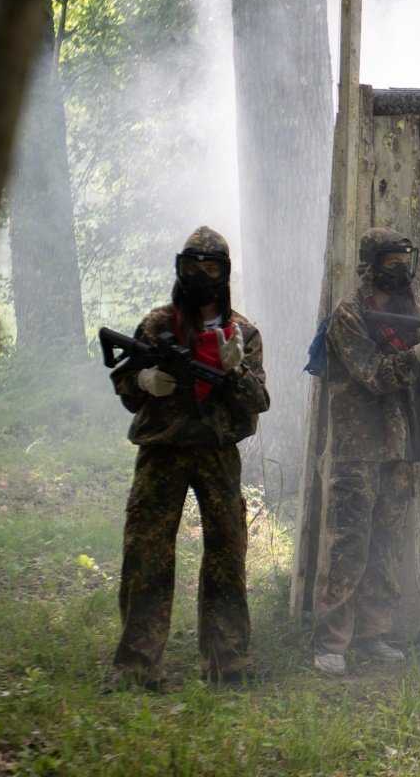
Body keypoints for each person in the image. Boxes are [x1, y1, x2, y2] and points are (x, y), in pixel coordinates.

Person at [107, 226, 270, 689]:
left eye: (211, 267)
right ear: (179, 268)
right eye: (192, 267)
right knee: (147, 554)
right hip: (163, 450)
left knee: (226, 554)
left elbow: (259, 400)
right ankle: (136, 665)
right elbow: (124, 380)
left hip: (217, 453)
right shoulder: (158, 325)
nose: (201, 276)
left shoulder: (244, 332)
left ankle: (228, 662)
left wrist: (235, 369)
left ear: (225, 272)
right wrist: (141, 382)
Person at [311, 227, 420, 675]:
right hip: (358, 447)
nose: (400, 269)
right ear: (371, 264)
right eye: (391, 262)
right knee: (350, 544)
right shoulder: (350, 314)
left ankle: (373, 635)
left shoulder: (412, 313)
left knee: (385, 543)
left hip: (400, 448)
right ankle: (331, 643)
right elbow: (375, 375)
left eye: (406, 259)